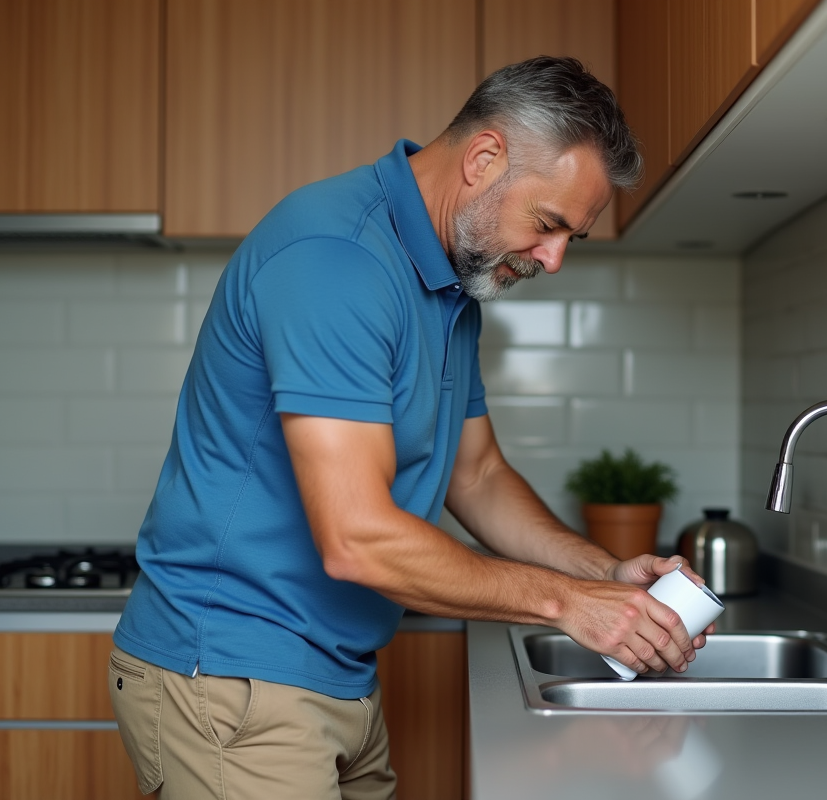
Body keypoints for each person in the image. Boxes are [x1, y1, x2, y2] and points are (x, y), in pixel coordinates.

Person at [108, 56, 715, 800]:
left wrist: (601, 574)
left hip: (334, 676)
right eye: (549, 224)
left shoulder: (451, 281)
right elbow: (356, 536)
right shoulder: (337, 261)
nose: (554, 259)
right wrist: (569, 605)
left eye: (571, 240)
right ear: (485, 158)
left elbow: (477, 475)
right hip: (233, 681)